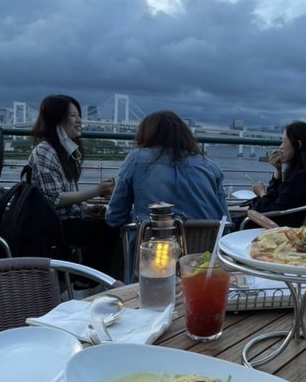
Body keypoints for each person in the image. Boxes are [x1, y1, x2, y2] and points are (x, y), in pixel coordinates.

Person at [26, 94, 119, 274]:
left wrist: (87, 208)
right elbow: (54, 199)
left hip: (65, 219)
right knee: (107, 229)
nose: (79, 121)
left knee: (108, 219)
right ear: (57, 119)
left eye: (79, 115)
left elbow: (66, 195)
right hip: (50, 225)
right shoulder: (45, 151)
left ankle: (86, 279)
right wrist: (96, 191)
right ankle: (87, 283)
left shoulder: (64, 151)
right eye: (73, 115)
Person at [105, 110, 230, 227]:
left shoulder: (136, 159)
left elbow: (115, 218)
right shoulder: (210, 166)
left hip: (150, 247)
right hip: (206, 249)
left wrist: (141, 218)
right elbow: (226, 222)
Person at [241, 120, 306, 228]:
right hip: (279, 227)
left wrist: (261, 193)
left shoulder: (300, 179)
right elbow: (278, 201)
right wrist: (278, 171)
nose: (281, 146)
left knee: (221, 224)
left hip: (264, 230)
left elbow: (268, 213)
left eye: (284, 141)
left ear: (298, 144)